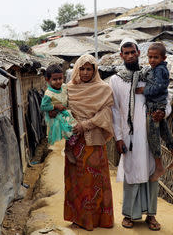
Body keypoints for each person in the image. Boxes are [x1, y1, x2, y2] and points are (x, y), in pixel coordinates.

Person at [109, 38, 170, 231]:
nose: (129, 56)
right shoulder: (116, 79)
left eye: (132, 52)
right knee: (131, 172)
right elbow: (115, 111)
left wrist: (164, 112)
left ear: (138, 53)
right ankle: (129, 215)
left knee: (152, 171)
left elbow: (166, 97)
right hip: (129, 135)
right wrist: (118, 138)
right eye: (125, 53)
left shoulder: (150, 75)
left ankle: (151, 215)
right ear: (121, 56)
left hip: (150, 132)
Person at [64, 54, 115, 231]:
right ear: (77, 69)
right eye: (82, 69)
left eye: (89, 69)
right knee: (75, 179)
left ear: (95, 71)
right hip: (74, 141)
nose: (85, 73)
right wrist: (70, 122)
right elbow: (63, 109)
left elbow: (106, 114)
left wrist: (85, 125)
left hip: (93, 140)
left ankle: (99, 219)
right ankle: (78, 218)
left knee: (94, 180)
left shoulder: (104, 89)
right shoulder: (68, 89)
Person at [136, 42, 173, 182]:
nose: (152, 60)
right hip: (158, 106)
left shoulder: (161, 70)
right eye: (150, 57)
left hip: (155, 107)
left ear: (164, 58)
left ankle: (159, 166)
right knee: (165, 132)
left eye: (155, 57)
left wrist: (144, 90)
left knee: (153, 136)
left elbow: (159, 88)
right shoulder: (154, 69)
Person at [40, 64, 77, 164]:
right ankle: (68, 150)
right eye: (55, 79)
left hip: (64, 113)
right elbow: (43, 107)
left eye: (60, 78)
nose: (58, 82)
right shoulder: (48, 93)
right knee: (71, 130)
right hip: (56, 118)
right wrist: (55, 107)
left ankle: (69, 148)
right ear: (47, 80)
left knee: (74, 130)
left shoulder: (64, 87)